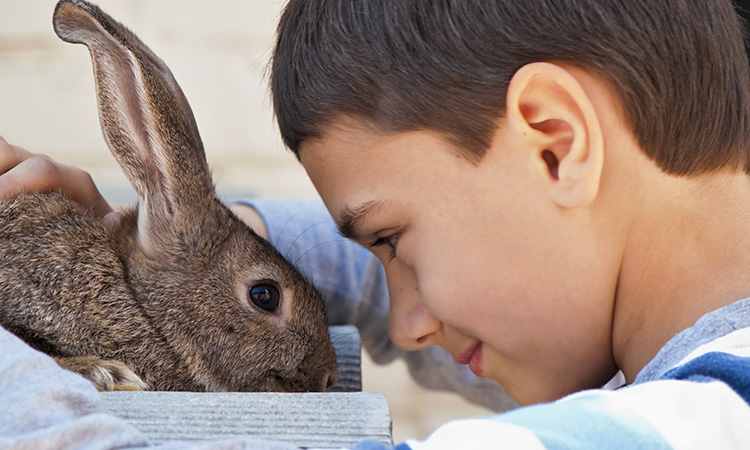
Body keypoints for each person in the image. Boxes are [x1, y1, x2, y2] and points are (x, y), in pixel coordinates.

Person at [3, 0, 750, 448]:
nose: (408, 324)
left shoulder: (697, 423)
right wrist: (165, 241)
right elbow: (370, 264)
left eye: (392, 240)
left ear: (554, 145)